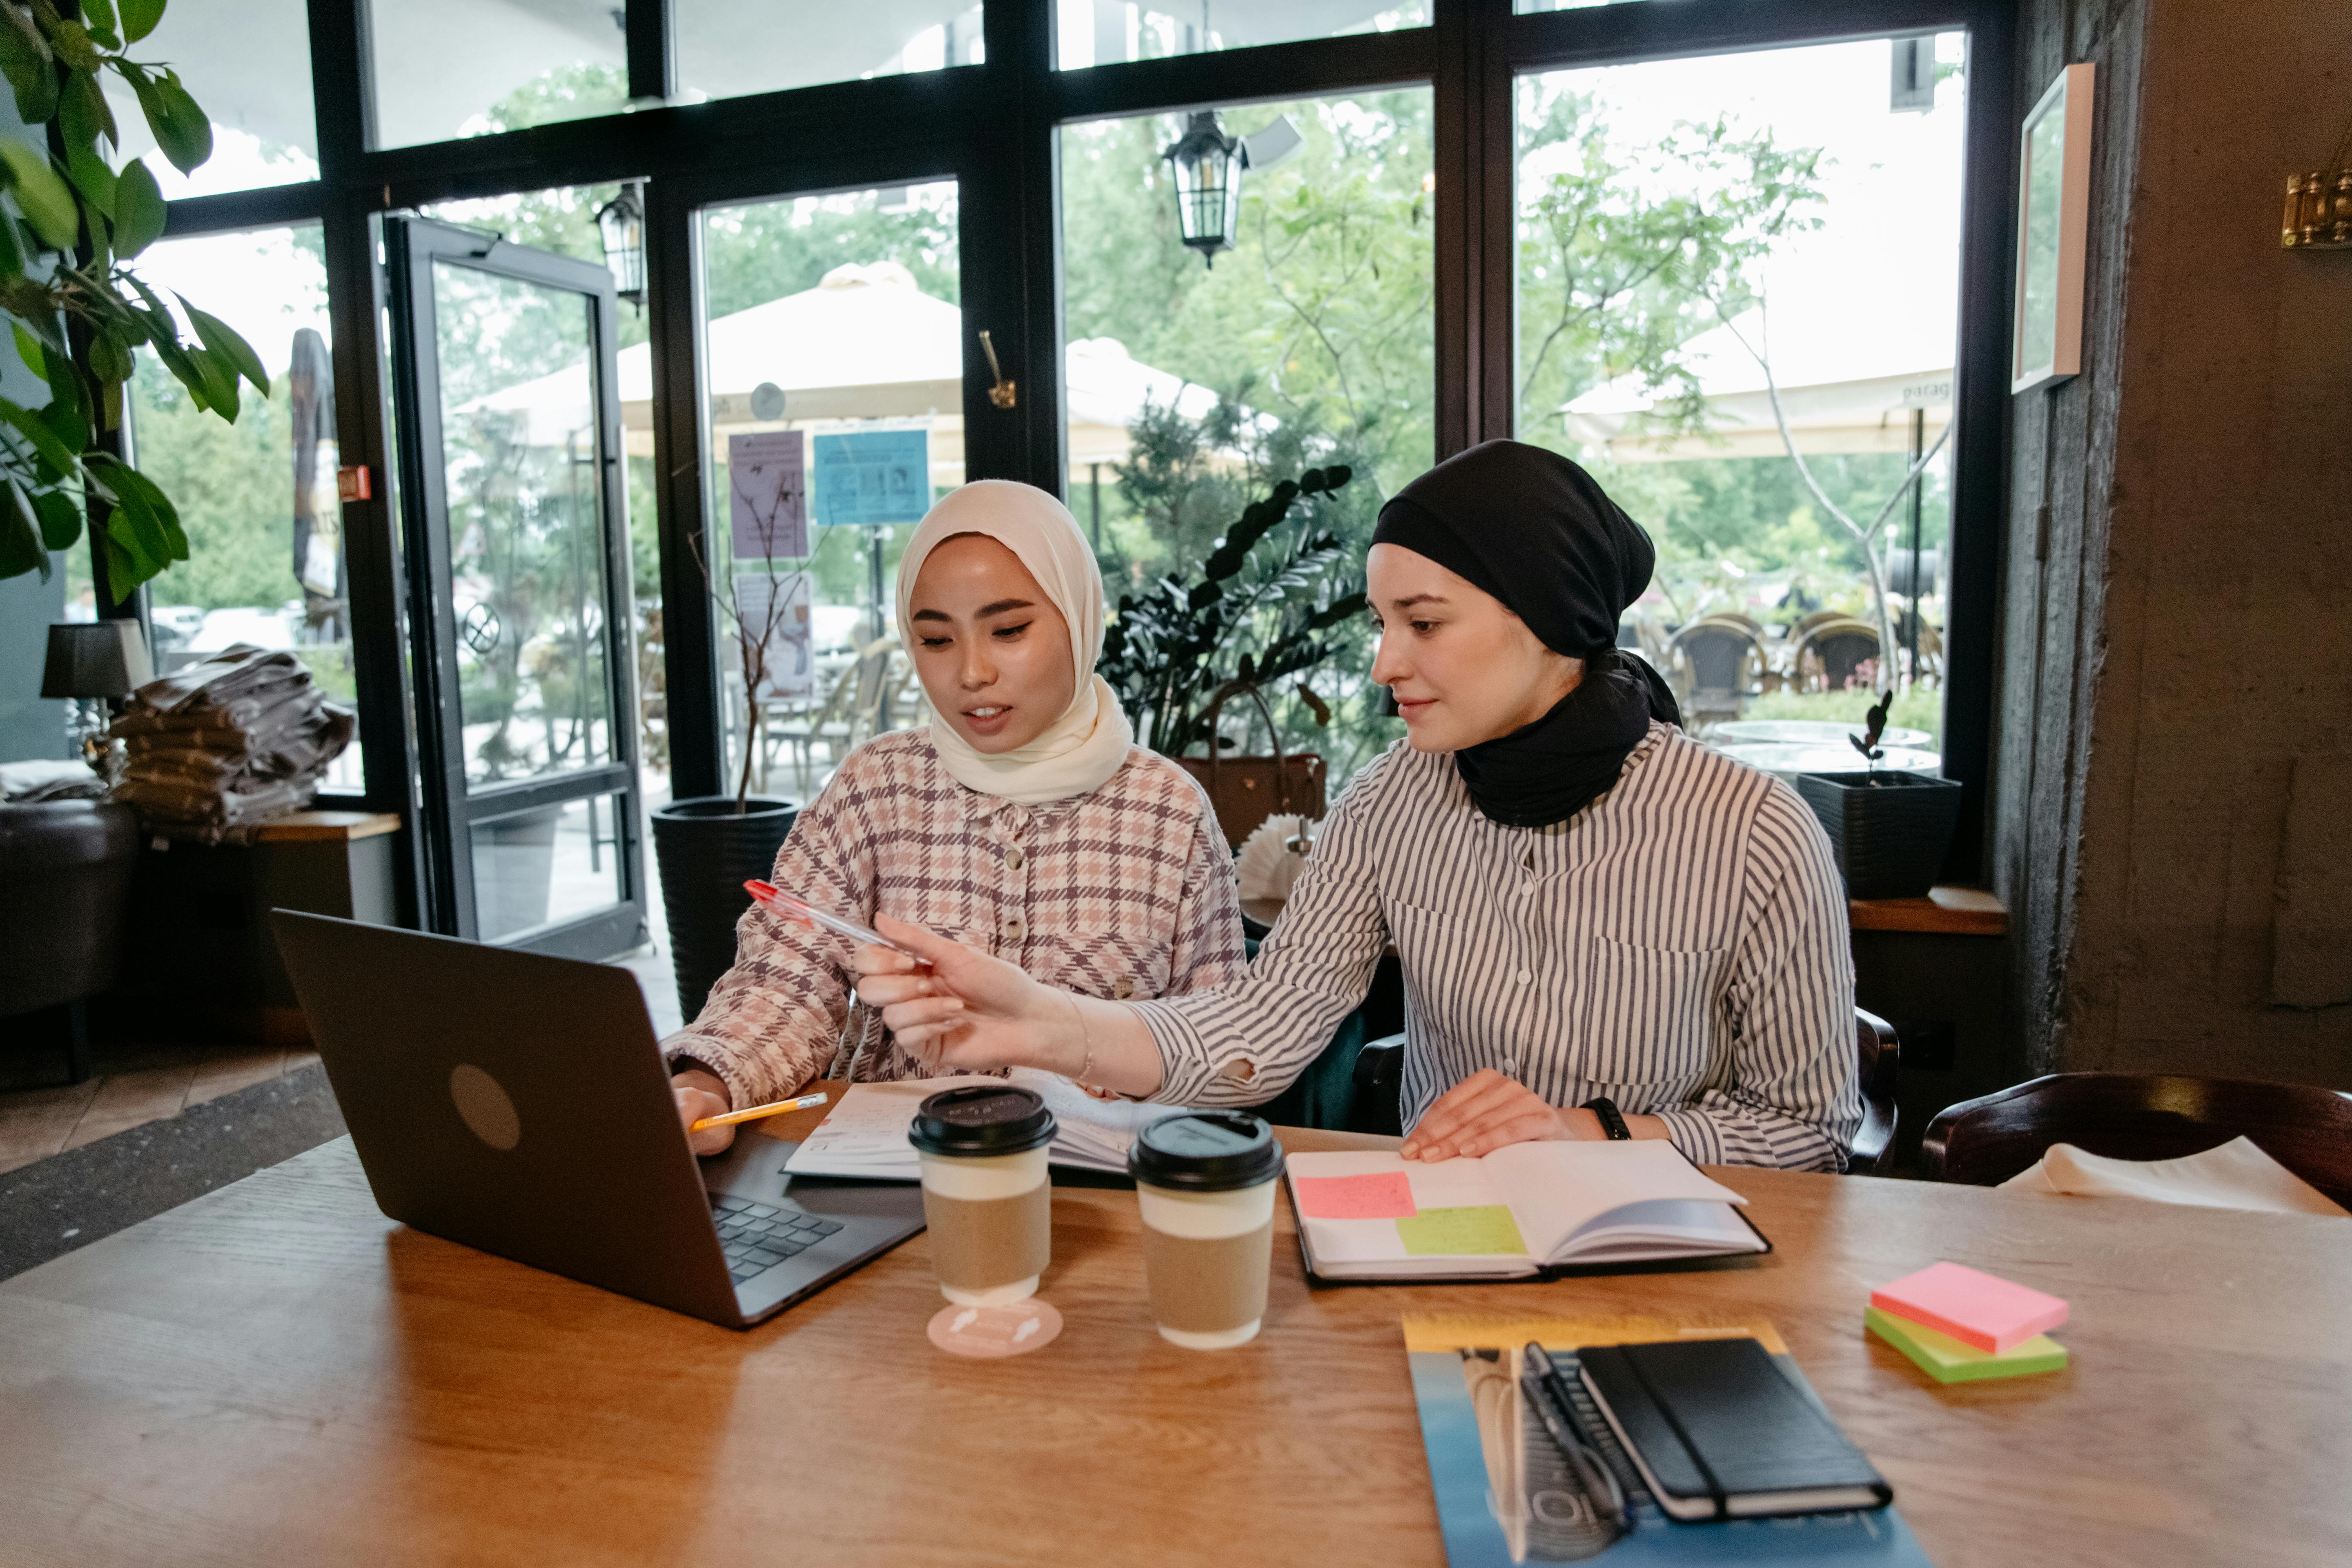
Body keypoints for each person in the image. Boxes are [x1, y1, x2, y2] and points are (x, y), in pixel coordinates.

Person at [852, 441, 1862, 1172]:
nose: (1385, 663)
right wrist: (1040, 1022)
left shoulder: (1754, 831)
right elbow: (1264, 1022)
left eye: (1423, 623)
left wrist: (1592, 1131)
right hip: (1450, 1239)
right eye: (1384, 622)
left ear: (1553, 618)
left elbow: (1810, 1129)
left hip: (1676, 1261)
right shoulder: (1391, 805)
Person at [665, 481, 1246, 1154]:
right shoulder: (875, 787)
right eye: (936, 641)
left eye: (1009, 631)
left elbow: (1217, 1044)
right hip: (895, 1175)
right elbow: (784, 979)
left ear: (1081, 618)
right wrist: (707, 1084)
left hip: (1099, 1188)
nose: (971, 672)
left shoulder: (1166, 809)